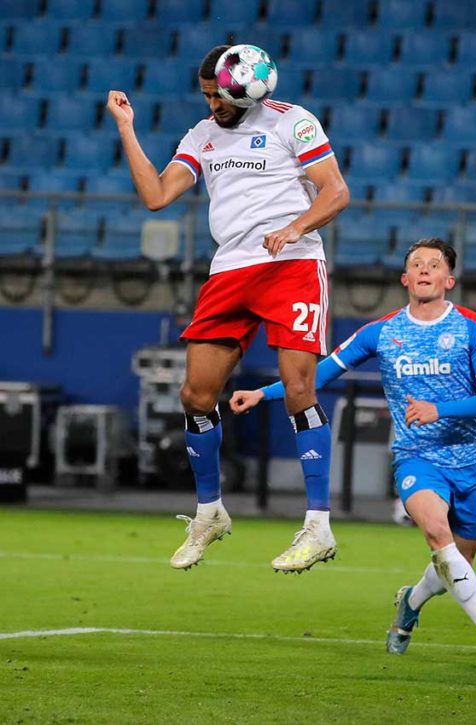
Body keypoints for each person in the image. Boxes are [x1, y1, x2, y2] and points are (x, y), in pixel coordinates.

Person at [107, 45, 350, 572]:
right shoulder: (201, 135)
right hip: (230, 270)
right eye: (206, 94)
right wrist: (126, 128)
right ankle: (209, 512)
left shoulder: (294, 123)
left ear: (246, 87)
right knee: (195, 395)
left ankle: (317, 527)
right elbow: (155, 196)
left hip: (292, 264)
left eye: (218, 93)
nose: (212, 102)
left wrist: (294, 228)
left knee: (299, 390)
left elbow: (335, 192)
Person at [230, 239, 476, 661]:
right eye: (416, 264)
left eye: (434, 264)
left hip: (470, 462)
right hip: (416, 459)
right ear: (405, 278)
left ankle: (411, 601)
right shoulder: (382, 332)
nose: (425, 270)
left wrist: (438, 409)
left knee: (456, 563)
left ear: (449, 279)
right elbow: (320, 374)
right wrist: (263, 394)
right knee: (437, 535)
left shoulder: (472, 327)